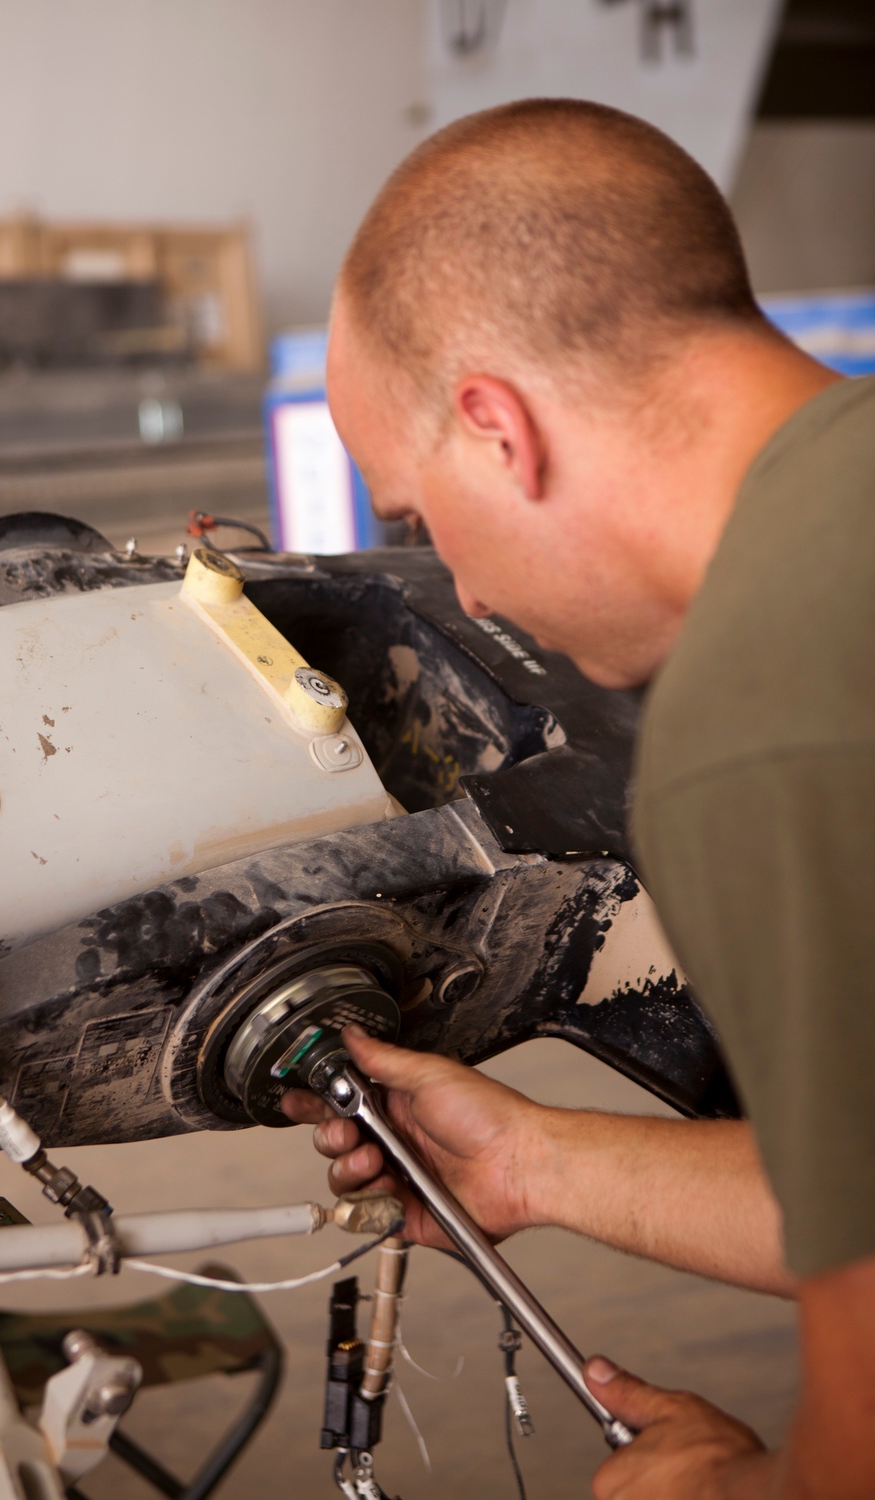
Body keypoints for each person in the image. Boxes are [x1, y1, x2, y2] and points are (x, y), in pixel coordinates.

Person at [283, 99, 875, 1498]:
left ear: (497, 427)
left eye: (419, 520)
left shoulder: (765, 715)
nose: (469, 594)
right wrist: (533, 1162)